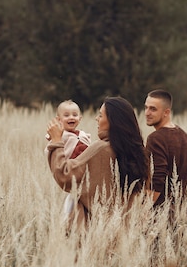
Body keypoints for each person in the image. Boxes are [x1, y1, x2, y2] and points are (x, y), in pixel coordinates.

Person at [46, 96, 149, 229]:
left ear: (112, 121)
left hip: (94, 232)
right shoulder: (140, 153)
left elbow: (65, 175)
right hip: (126, 232)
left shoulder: (101, 149)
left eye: (100, 115)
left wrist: (56, 142)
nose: (96, 118)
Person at [144, 89, 187, 225]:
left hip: (161, 214)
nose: (147, 113)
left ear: (166, 112)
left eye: (153, 109)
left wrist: (144, 211)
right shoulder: (186, 137)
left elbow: (158, 179)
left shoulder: (155, 138)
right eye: (146, 108)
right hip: (182, 211)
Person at [44, 100, 92, 220]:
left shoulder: (82, 135)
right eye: (66, 115)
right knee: (69, 206)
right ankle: (65, 222)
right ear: (59, 119)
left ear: (80, 118)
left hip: (83, 174)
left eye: (75, 115)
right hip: (70, 172)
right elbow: (51, 148)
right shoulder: (61, 136)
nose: (71, 117)